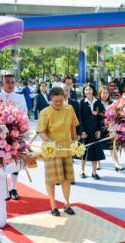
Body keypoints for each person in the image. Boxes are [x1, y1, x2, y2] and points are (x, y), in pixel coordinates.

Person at [36, 87, 79, 216]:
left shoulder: (69, 109)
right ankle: (53, 206)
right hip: (51, 150)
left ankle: (67, 204)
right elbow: (40, 131)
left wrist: (75, 141)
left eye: (61, 100)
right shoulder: (45, 112)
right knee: (51, 179)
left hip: (66, 148)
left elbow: (73, 126)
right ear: (50, 100)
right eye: (56, 101)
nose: (59, 103)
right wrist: (49, 141)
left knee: (66, 178)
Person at [0, 74, 27, 200]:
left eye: (12, 82)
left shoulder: (20, 97)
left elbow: (24, 114)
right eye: (7, 82)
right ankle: (3, 189)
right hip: (0, 136)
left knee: (15, 161)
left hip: (15, 134)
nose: (10, 84)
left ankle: (14, 188)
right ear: (2, 84)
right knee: (2, 161)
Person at [79, 83, 106, 180]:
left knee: (95, 152)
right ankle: (82, 171)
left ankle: (94, 172)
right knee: (83, 151)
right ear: (84, 92)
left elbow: (102, 117)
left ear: (93, 91)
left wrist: (99, 130)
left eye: (90, 89)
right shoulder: (81, 102)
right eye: (86, 90)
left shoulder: (98, 102)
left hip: (95, 131)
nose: (88, 91)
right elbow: (79, 119)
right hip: (85, 132)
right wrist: (82, 132)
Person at [97, 86, 125, 171]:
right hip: (99, 127)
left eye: (106, 93)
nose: (105, 95)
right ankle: (98, 163)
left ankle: (117, 164)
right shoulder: (96, 103)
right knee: (98, 146)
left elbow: (116, 115)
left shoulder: (112, 103)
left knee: (113, 146)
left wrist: (113, 127)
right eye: (103, 93)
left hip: (110, 127)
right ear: (100, 94)